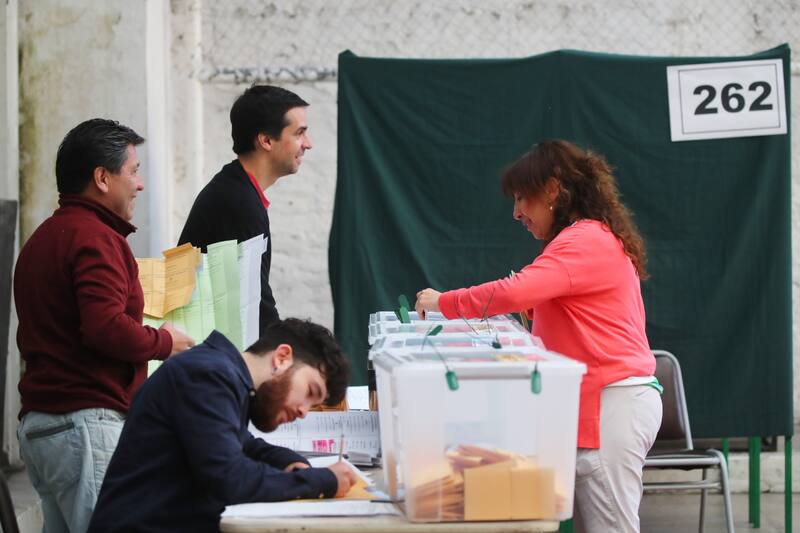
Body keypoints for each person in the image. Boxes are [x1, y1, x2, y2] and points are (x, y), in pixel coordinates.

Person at [415, 140, 662, 533]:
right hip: (603, 405)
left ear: (552, 189)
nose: (516, 213)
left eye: (521, 199)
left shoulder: (584, 241)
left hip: (610, 406)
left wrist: (443, 301)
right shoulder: (586, 238)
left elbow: (515, 292)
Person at [14, 118, 195, 533]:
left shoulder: (46, 236)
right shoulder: (94, 237)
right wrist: (165, 342)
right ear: (101, 177)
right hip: (84, 426)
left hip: (46, 428)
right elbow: (105, 327)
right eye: (133, 171)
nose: (140, 184)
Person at [88, 319, 356, 533]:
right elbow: (230, 476)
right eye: (310, 391)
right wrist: (322, 480)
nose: (303, 412)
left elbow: (243, 444)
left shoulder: (222, 374)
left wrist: (288, 461)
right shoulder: (208, 375)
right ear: (282, 357)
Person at [178, 85, 313, 335]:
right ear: (266, 141)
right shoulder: (237, 202)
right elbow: (255, 305)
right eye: (299, 133)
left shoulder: (237, 191)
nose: (308, 144)